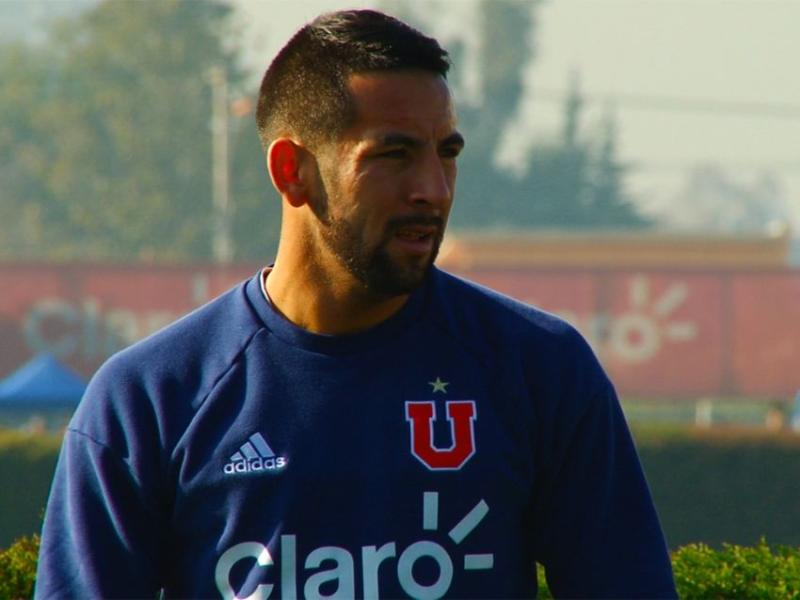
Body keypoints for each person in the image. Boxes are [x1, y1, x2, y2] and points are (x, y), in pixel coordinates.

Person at [35, 9, 676, 599]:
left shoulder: (542, 370)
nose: (433, 189)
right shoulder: (147, 399)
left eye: (446, 153)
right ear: (293, 171)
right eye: (393, 155)